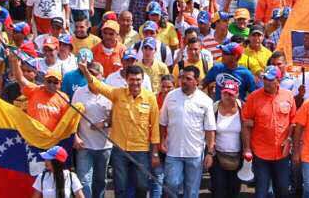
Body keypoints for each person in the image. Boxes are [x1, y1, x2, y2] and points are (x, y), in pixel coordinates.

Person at [77, 59, 160, 198]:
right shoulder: (118, 93)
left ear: (143, 79)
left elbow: (155, 126)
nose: (135, 83)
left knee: (142, 185)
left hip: (141, 149)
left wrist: (155, 153)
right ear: (126, 80)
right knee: (120, 186)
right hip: (120, 149)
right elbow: (97, 85)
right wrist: (85, 70)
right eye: (132, 79)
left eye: (138, 79)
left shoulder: (150, 98)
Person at [160, 64, 215, 198]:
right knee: (171, 184)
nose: (184, 81)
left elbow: (210, 129)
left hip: (195, 153)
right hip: (173, 151)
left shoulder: (205, 100)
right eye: (182, 78)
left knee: (192, 191)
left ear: (197, 81)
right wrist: (161, 141)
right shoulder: (171, 96)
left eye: (188, 78)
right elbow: (162, 122)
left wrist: (210, 153)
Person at [241, 65, 295, 198]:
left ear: (278, 80)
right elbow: (246, 124)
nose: (266, 82)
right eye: (265, 78)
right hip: (261, 154)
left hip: (282, 154)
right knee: (261, 192)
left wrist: (289, 139)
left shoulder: (288, 96)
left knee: (283, 191)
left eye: (270, 79)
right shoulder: (254, 97)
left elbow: (293, 121)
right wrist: (247, 148)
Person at [71, 61, 112, 198]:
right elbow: (73, 118)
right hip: (84, 145)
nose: (91, 77)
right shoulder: (79, 92)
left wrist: (104, 124)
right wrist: (75, 137)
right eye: (88, 73)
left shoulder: (110, 93)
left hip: (104, 146)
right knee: (84, 181)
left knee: (100, 181)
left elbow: (115, 119)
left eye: (94, 74)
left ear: (102, 75)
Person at [212, 76, 245, 198]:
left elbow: (248, 129)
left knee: (234, 189)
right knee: (219, 189)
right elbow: (208, 130)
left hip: (238, 156)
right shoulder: (214, 108)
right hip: (217, 156)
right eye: (225, 93)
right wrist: (210, 152)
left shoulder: (243, 108)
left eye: (231, 94)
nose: (227, 96)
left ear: (237, 94)